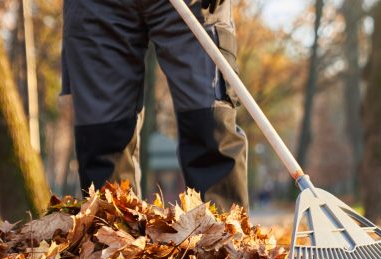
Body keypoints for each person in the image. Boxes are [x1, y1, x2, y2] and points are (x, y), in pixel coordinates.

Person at [61, 0, 248, 211]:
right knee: (101, 141)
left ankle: (222, 238)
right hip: (95, 7)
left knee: (210, 127)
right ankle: (113, 239)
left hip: (192, 5)